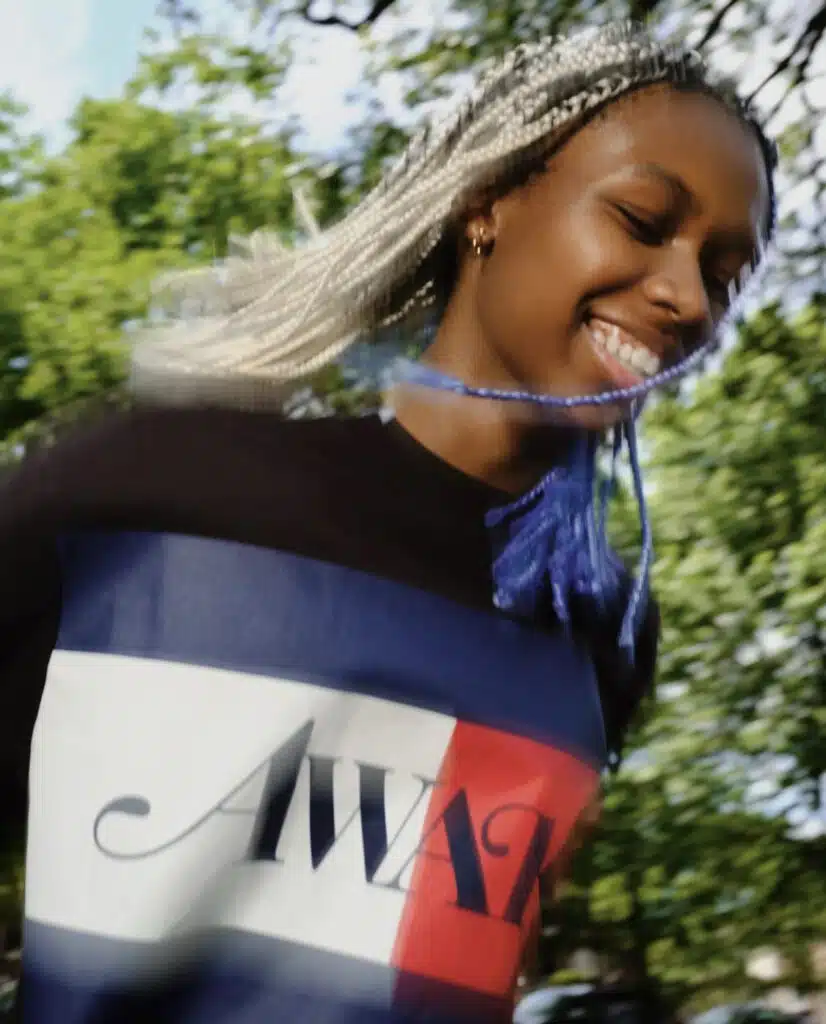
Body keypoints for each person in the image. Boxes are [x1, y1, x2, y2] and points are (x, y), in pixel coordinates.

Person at [0, 21, 775, 1024]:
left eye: (722, 272)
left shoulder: (602, 635)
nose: (684, 296)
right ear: (484, 204)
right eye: (639, 218)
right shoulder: (154, 493)